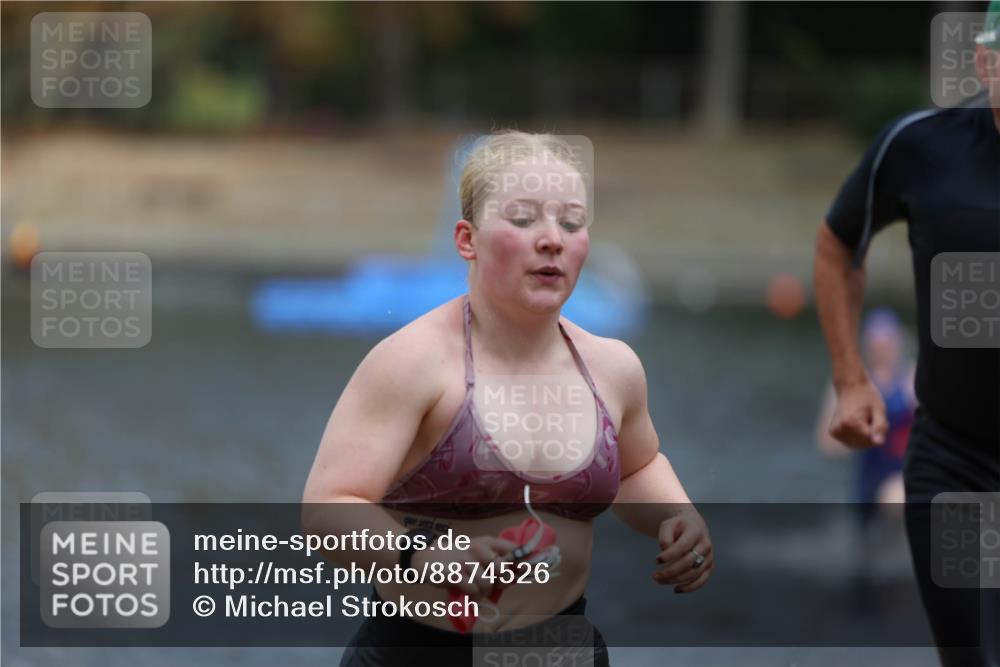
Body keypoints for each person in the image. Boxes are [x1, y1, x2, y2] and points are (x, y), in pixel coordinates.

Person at [302, 131, 713, 667]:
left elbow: (636, 466)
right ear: (466, 240)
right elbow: (326, 510)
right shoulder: (412, 363)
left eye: (571, 222)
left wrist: (676, 517)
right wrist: (422, 553)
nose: (553, 240)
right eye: (523, 219)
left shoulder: (613, 368)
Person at [813, 5, 1000, 664]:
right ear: (984, 62)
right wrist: (848, 376)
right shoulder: (922, 145)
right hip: (955, 459)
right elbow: (838, 246)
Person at [816, 308, 916, 606]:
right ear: (868, 347)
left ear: (898, 344)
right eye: (877, 345)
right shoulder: (848, 386)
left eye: (888, 345)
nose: (883, 351)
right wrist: (853, 436)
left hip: (899, 482)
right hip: (864, 489)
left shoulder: (912, 382)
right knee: (867, 567)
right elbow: (825, 442)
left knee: (898, 497)